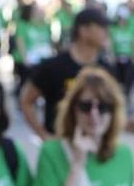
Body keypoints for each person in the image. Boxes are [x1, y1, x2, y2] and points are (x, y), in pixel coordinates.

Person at [19, 7, 109, 139]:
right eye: (101, 27)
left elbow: (111, 107)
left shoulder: (106, 69)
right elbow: (26, 101)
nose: (106, 33)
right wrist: (43, 135)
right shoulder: (53, 66)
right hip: (60, 147)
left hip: (95, 148)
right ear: (83, 31)